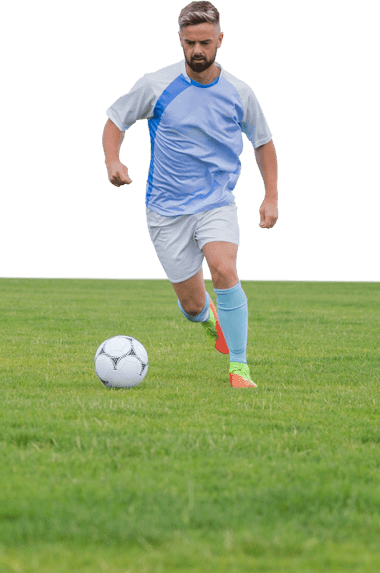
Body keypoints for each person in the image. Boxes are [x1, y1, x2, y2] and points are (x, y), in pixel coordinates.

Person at [102, 0, 278, 388]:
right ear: (180, 41)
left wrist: (270, 198)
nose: (197, 51)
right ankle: (210, 319)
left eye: (205, 42)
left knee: (224, 268)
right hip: (165, 211)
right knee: (193, 305)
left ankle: (239, 368)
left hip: (216, 202)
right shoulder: (156, 84)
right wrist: (113, 161)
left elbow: (263, 143)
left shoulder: (240, 92)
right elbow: (115, 120)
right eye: (189, 43)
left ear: (219, 40)